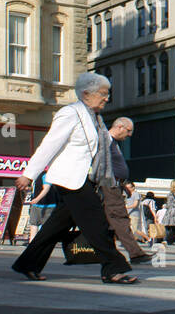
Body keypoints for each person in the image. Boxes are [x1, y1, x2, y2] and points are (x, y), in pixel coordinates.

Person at [11, 72, 135, 285]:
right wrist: (28, 174)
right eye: (103, 94)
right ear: (87, 94)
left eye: (107, 94)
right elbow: (50, 144)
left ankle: (28, 263)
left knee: (56, 226)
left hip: (83, 179)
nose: (107, 98)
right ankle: (113, 268)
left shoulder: (95, 117)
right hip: (69, 178)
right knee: (97, 223)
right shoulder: (70, 113)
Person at [100, 117, 152, 264]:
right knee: (120, 218)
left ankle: (111, 257)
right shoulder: (106, 140)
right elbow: (101, 164)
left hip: (115, 185)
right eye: (128, 131)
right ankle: (135, 253)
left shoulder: (114, 143)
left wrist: (123, 185)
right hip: (109, 185)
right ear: (120, 127)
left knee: (110, 223)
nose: (129, 135)